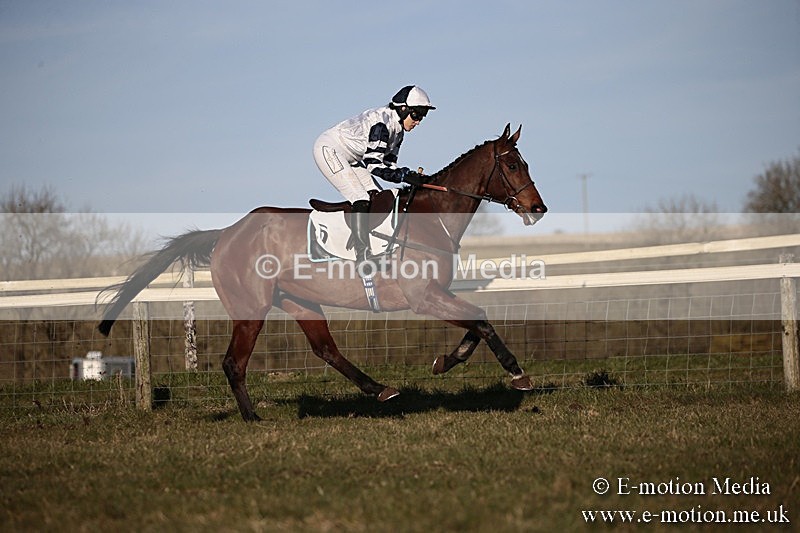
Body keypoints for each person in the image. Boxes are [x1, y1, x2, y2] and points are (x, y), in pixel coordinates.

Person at [312, 85, 435, 269]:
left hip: (354, 158)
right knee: (360, 197)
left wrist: (409, 175)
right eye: (416, 115)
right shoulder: (382, 125)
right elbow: (374, 166)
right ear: (403, 109)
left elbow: (388, 165)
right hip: (329, 149)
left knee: (378, 197)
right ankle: (361, 256)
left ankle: (376, 247)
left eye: (422, 117)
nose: (418, 122)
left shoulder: (398, 131)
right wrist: (404, 175)